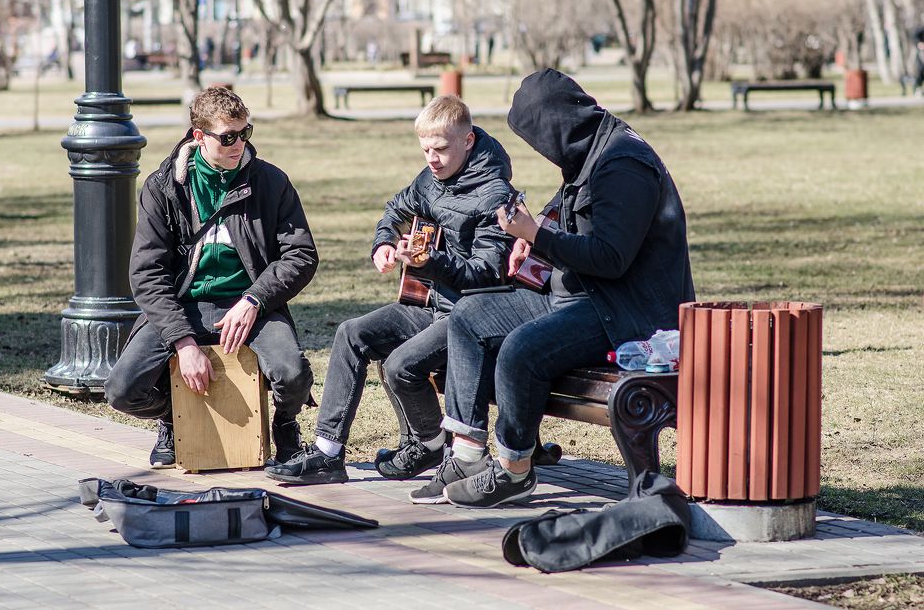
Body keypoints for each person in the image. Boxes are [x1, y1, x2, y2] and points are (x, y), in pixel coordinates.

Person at [417, 69, 694, 508]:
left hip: (624, 310)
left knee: (522, 350)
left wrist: (537, 235)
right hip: (577, 293)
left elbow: (611, 258)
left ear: (557, 126)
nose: (540, 151)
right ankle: (468, 454)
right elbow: (568, 206)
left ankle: (513, 471)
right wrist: (532, 238)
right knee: (470, 317)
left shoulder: (624, 165)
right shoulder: (590, 148)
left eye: (538, 140)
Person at [265, 95, 515, 487]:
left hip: (468, 317)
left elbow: (486, 273)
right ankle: (327, 454)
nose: (431, 158)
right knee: (352, 333)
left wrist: (428, 262)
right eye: (425, 149)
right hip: (430, 304)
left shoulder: (494, 194)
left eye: (441, 149)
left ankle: (430, 444)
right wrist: (383, 243)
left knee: (400, 364)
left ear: (468, 141)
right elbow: (396, 209)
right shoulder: (431, 178)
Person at [104, 86, 318, 468]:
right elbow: (146, 273)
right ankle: (173, 419)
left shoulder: (271, 181)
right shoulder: (163, 187)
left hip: (251, 304)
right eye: (228, 137)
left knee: (293, 373)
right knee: (122, 390)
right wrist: (183, 343)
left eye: (245, 133)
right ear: (199, 136)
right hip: (184, 305)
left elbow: (301, 255)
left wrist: (254, 300)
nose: (238, 144)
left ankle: (285, 425)